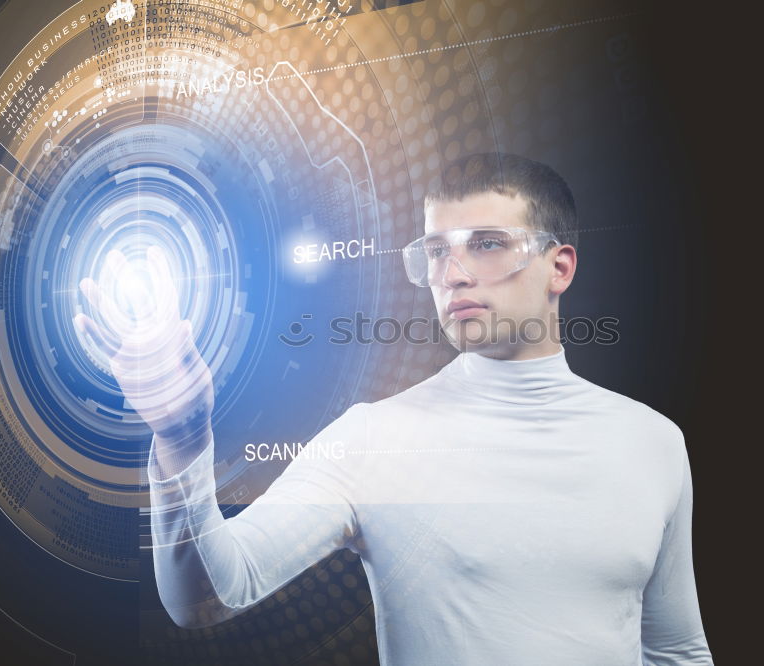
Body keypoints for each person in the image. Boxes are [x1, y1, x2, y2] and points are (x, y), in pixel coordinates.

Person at [74, 152, 713, 665]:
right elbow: (210, 595)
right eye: (437, 251)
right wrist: (184, 444)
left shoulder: (652, 443)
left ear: (560, 266)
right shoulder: (377, 441)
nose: (454, 274)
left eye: (487, 243)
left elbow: (676, 650)